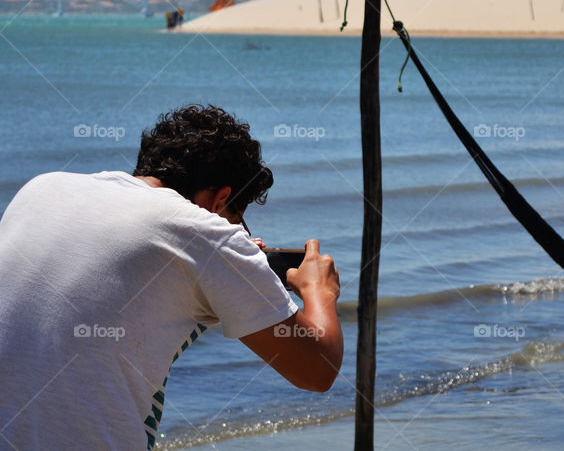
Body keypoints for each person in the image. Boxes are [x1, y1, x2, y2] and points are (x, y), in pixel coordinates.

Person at [0, 105, 343, 449]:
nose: (235, 233)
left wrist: (221, 264)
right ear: (221, 197)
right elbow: (318, 369)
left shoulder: (43, 188)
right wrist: (319, 291)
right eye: (237, 220)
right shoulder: (205, 234)